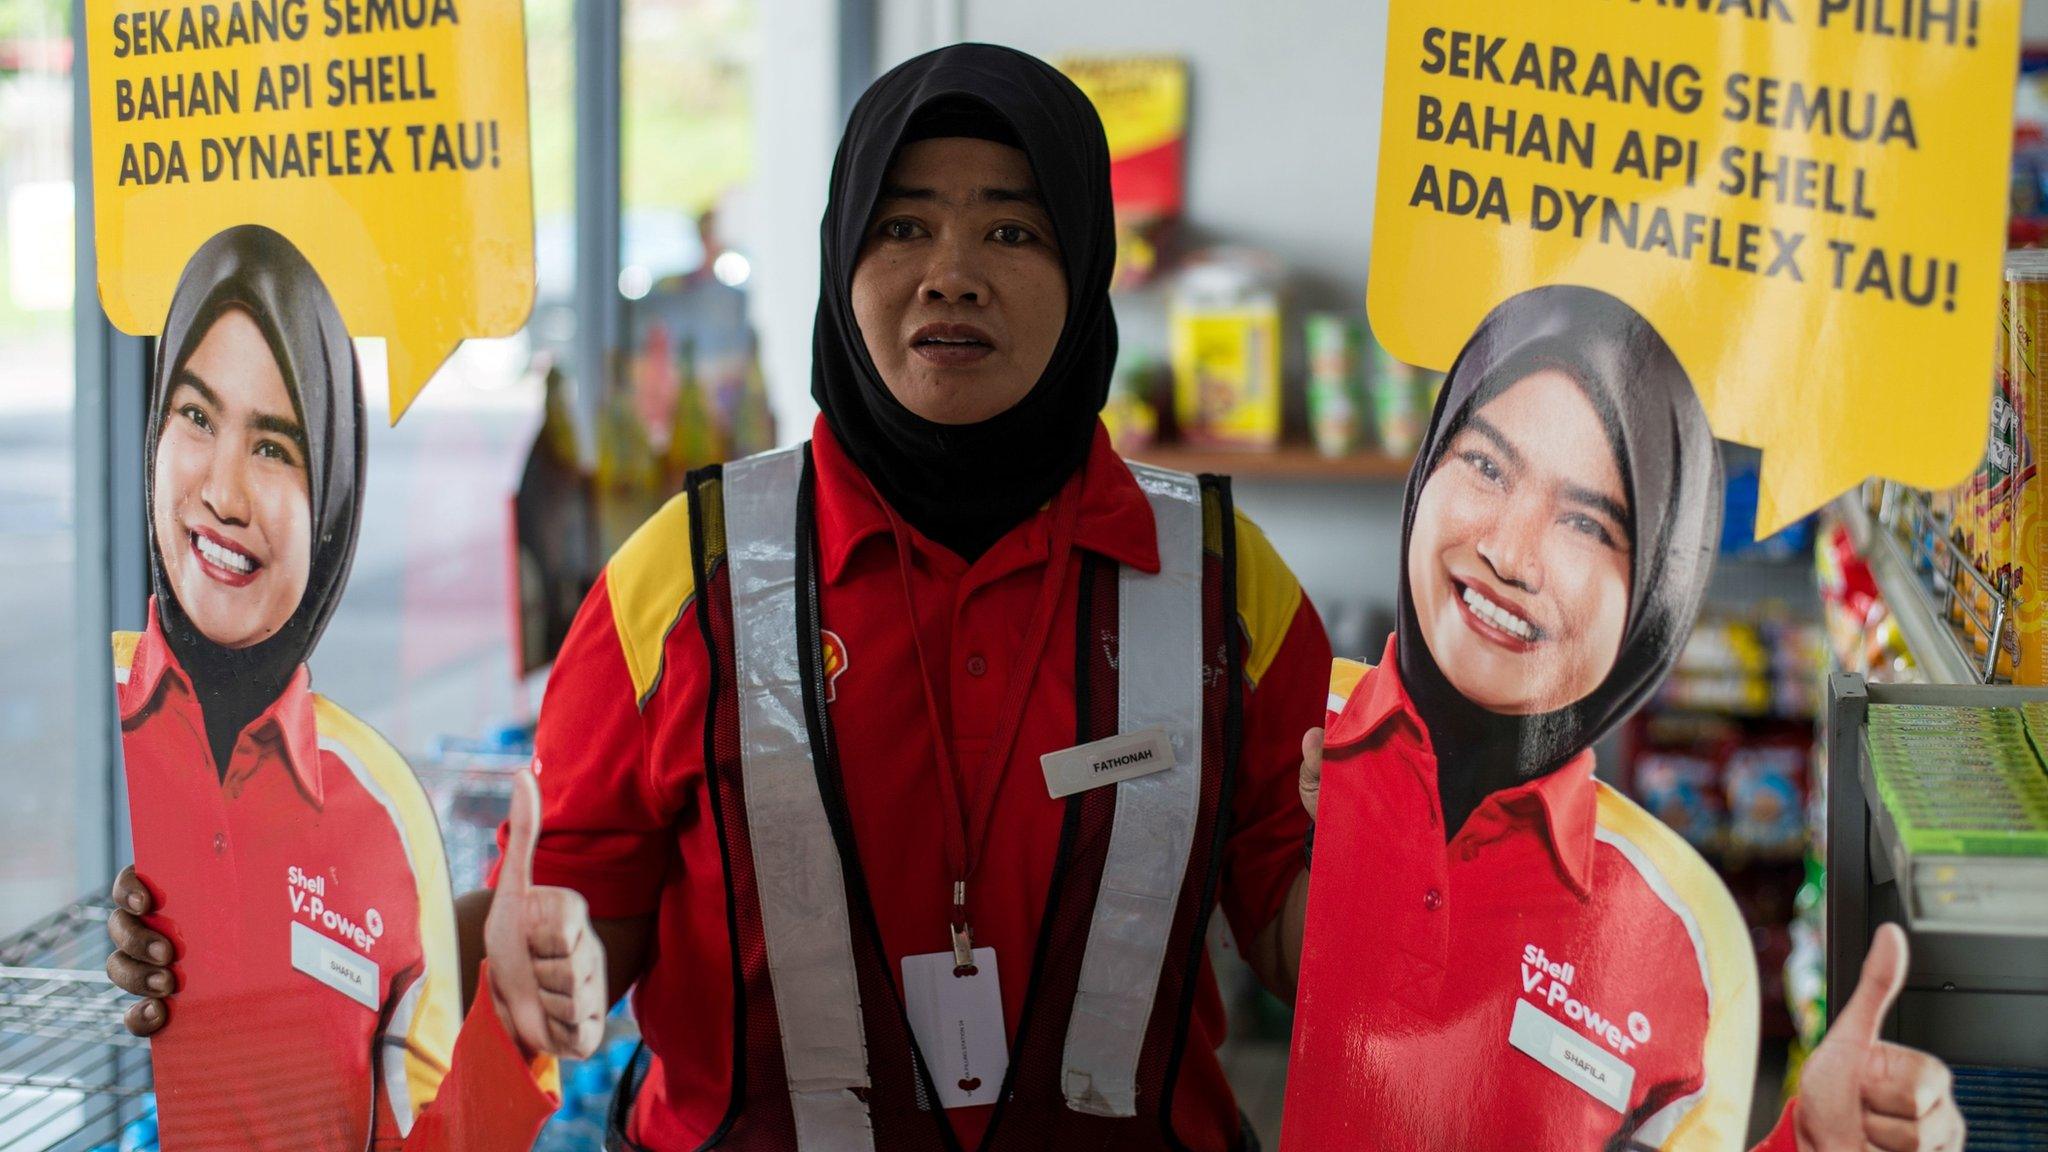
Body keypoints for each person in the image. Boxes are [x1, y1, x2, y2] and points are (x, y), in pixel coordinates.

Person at [442, 43, 1331, 1151]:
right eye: (902, 225)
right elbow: (575, 913)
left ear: (1087, 263)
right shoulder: (684, 576)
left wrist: (1394, 862)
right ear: (837, 258)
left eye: (1012, 230)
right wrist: (399, 941)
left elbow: (1300, 942)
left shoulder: (1225, 586)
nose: (950, 272)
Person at [1282, 286, 1964, 1151]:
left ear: (1653, 604)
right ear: (1426, 472)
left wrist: (1815, 1145)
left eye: (1586, 522)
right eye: (1487, 465)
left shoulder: (1687, 934)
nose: (1507, 553)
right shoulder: (1287, 735)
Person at [101, 224, 563, 1152]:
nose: (224, 491)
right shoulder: (120, 727)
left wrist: (513, 1022)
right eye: (195, 417)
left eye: (275, 448)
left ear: (335, 506)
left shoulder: (384, 814)